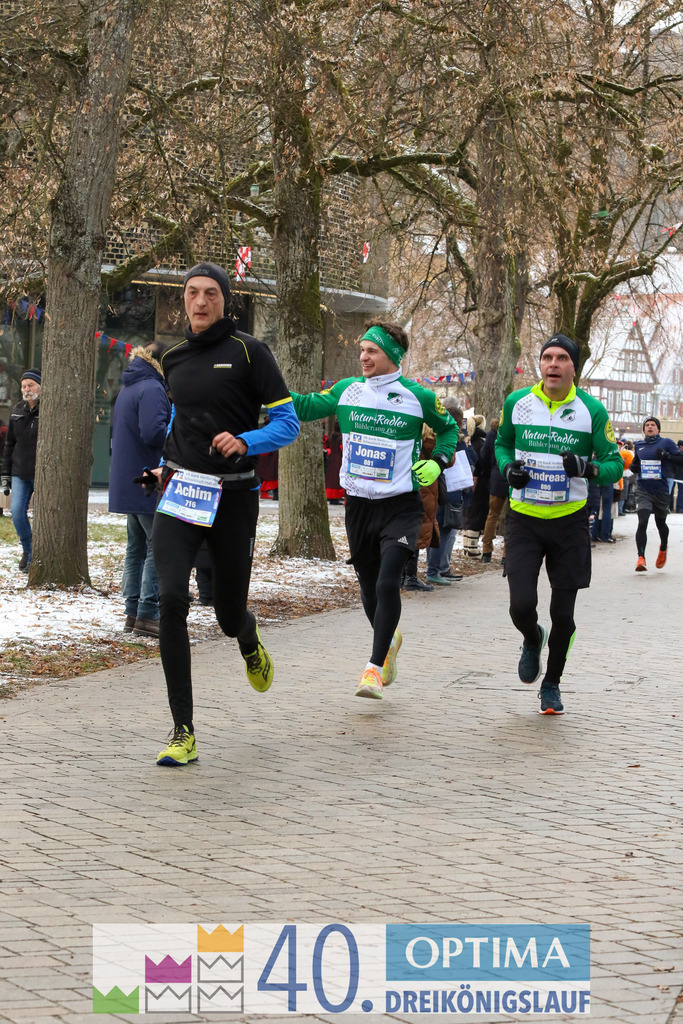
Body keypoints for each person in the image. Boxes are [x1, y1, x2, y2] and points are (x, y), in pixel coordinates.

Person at [151, 262, 300, 766]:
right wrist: (160, 468)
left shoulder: (250, 353)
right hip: (180, 494)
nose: (199, 302)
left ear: (225, 300)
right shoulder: (172, 358)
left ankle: (248, 636)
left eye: (209, 293)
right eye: (191, 293)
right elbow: (178, 417)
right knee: (170, 600)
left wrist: (245, 440)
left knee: (227, 612)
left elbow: (288, 423)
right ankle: (182, 730)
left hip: (233, 497)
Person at [291, 320, 459, 699]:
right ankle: (389, 641)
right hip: (359, 507)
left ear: (392, 357)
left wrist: (439, 461)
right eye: (362, 350)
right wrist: (262, 386)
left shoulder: (418, 397)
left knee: (387, 582)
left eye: (372, 351)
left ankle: (372, 669)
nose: (363, 357)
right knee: (369, 590)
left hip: (400, 505)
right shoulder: (347, 390)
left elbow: (449, 431)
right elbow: (303, 406)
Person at [495, 333, 622, 715]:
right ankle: (532, 638)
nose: (553, 364)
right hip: (525, 520)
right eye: (547, 357)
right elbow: (501, 444)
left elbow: (616, 463)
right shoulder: (517, 403)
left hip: (569, 523)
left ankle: (551, 684)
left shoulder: (592, 411)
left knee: (563, 616)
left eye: (561, 358)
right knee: (521, 605)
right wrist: (507, 468)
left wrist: (589, 467)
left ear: (573, 367)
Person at [109, 343, 171, 637]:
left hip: (129, 478)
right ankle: (148, 614)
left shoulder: (129, 387)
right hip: (149, 477)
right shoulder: (152, 388)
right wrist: (180, 436)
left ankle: (132, 613)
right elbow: (153, 432)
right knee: (154, 548)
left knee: (135, 549)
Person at [630, 417, 683, 572]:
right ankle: (641, 558)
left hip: (661, 490)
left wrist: (667, 456)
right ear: (644, 429)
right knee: (642, 521)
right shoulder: (639, 445)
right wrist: (634, 467)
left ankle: (663, 547)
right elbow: (636, 464)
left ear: (658, 429)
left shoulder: (666, 443)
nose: (650, 427)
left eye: (653, 425)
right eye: (647, 425)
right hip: (643, 489)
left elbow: (681, 459)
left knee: (661, 523)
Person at [1, 369, 41, 571]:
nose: (27, 389)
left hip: (41, 473)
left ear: (40, 387)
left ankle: (36, 556)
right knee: (16, 512)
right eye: (24, 386)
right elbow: (9, 444)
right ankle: (28, 550)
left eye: (31, 385)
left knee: (43, 517)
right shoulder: (16, 411)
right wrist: (5, 475)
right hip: (19, 472)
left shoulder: (47, 410)